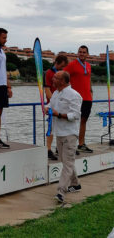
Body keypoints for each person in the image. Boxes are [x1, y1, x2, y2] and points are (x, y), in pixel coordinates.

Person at [46, 71, 82, 203]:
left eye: (56, 78)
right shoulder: (56, 93)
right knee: (65, 160)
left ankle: (61, 191)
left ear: (62, 81)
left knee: (67, 163)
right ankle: (75, 183)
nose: (53, 79)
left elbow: (76, 115)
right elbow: (51, 106)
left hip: (70, 134)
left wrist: (59, 115)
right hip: (59, 133)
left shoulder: (74, 95)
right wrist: (46, 108)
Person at [64, 46, 93, 153]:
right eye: (80, 52)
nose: (81, 54)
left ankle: (81, 144)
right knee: (72, 121)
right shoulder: (72, 64)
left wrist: (91, 92)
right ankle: (70, 145)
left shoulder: (89, 65)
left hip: (87, 98)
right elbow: (63, 76)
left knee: (84, 121)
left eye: (84, 52)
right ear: (78, 53)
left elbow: (89, 80)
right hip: (75, 98)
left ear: (87, 54)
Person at [45, 55, 68, 160]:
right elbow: (47, 89)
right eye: (62, 66)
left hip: (61, 102)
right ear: (57, 63)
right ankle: (48, 150)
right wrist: (53, 102)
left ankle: (59, 148)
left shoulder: (62, 73)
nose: (62, 68)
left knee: (61, 126)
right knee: (51, 127)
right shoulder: (49, 73)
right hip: (52, 103)